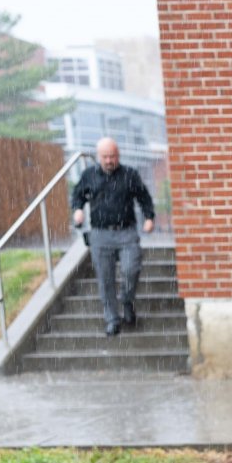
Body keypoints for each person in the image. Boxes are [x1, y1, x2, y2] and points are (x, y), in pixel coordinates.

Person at [70, 137, 155, 337]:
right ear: (98, 156)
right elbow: (77, 196)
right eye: (105, 157)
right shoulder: (89, 175)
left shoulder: (129, 175)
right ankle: (112, 318)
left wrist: (149, 217)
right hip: (100, 234)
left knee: (131, 269)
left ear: (118, 155)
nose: (109, 160)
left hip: (126, 232)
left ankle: (127, 300)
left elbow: (144, 197)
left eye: (112, 156)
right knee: (105, 279)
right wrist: (78, 210)